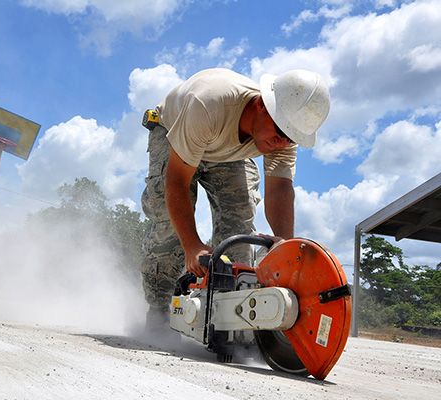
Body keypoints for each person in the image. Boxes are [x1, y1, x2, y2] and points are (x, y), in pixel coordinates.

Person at [139, 68, 330, 331]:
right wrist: (193, 245)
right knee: (171, 228)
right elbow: (177, 182)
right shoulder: (208, 104)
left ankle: (228, 321)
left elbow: (279, 188)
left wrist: (284, 246)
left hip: (227, 150)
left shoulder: (283, 132)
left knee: (239, 230)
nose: (281, 143)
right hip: (175, 131)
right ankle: (159, 315)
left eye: (290, 138)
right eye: (279, 133)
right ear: (263, 104)